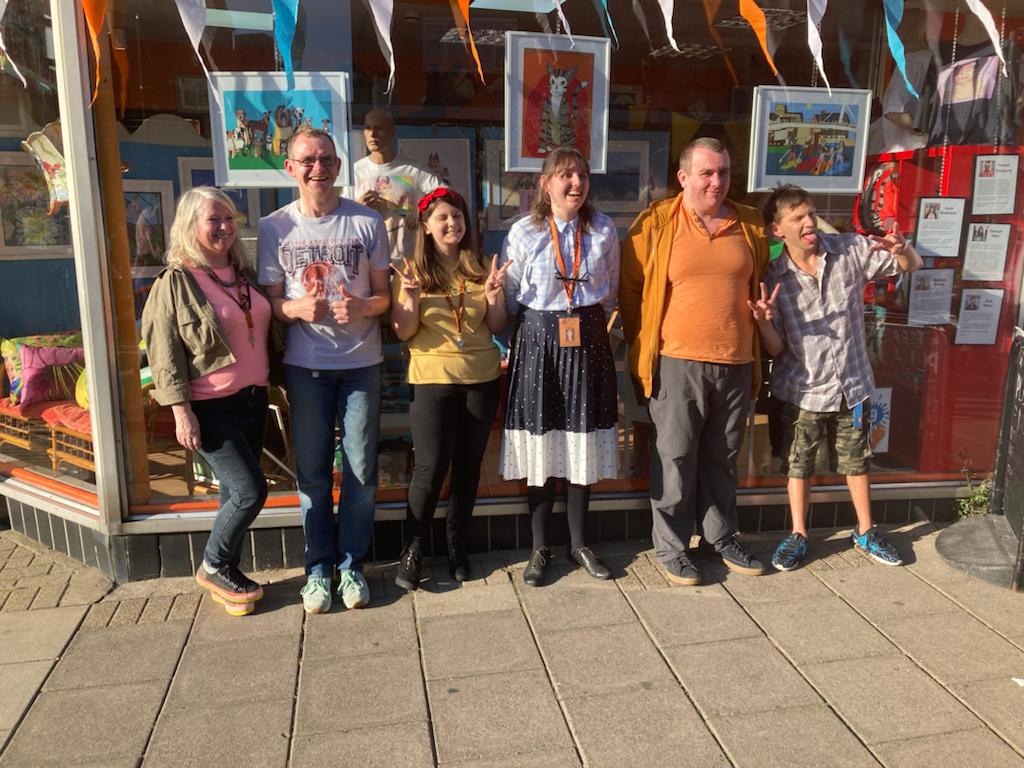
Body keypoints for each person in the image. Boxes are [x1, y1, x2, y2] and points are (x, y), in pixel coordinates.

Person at [620, 137, 770, 587]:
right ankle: (670, 547)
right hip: (677, 361)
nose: (717, 182)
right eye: (706, 173)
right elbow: (631, 291)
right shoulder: (657, 224)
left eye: (723, 172)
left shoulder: (750, 224)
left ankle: (720, 538)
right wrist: (644, 346)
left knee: (722, 458)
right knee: (676, 456)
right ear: (683, 177)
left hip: (736, 360)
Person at [258, 126, 391, 614]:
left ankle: (351, 564)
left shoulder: (367, 222)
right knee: (312, 474)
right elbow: (270, 303)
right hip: (305, 367)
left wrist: (363, 307)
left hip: (361, 365)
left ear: (339, 166)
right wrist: (294, 310)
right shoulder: (275, 227)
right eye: (307, 160)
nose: (318, 169)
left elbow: (384, 296)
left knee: (360, 471)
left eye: (327, 160)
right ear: (290, 168)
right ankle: (318, 569)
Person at [756, 184, 923, 571]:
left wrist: (903, 250)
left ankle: (865, 531)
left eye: (811, 213)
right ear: (777, 229)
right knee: (798, 465)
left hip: (853, 382)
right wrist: (764, 322)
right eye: (797, 217)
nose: (809, 222)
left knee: (857, 462)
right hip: (802, 388)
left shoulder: (849, 249)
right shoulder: (775, 278)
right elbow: (776, 348)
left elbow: (909, 266)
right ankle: (798, 534)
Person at [142, 187, 272, 617]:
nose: (224, 227)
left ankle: (226, 573)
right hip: (210, 407)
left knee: (232, 492)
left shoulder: (243, 272)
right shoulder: (176, 281)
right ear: (190, 226)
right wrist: (182, 412)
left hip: (254, 401)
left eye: (229, 218)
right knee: (251, 491)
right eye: (213, 220)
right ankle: (214, 564)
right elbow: (164, 354)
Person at [501, 147, 619, 587]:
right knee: (541, 446)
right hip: (537, 342)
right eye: (565, 175)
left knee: (580, 444)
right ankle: (539, 547)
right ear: (546, 183)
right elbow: (510, 296)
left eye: (582, 175)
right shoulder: (524, 232)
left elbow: (609, 293)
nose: (576, 184)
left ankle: (579, 542)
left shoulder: (604, 228)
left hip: (587, 338)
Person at [389, 187, 510, 590]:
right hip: (432, 381)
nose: (451, 224)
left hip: (481, 380)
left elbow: (495, 326)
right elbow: (404, 333)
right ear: (425, 226)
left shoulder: (479, 268)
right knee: (429, 467)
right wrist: (407, 297)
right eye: (442, 217)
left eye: (457, 217)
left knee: (467, 467)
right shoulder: (413, 273)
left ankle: (458, 544)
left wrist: (494, 297)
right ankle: (414, 548)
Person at [353, 109, 442, 261]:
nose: (372, 134)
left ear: (392, 132)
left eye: (379, 128)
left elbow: (445, 197)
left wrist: (421, 214)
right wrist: (358, 207)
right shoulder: (354, 171)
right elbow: (337, 214)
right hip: (366, 261)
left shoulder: (414, 170)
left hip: (408, 262)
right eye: (368, 128)